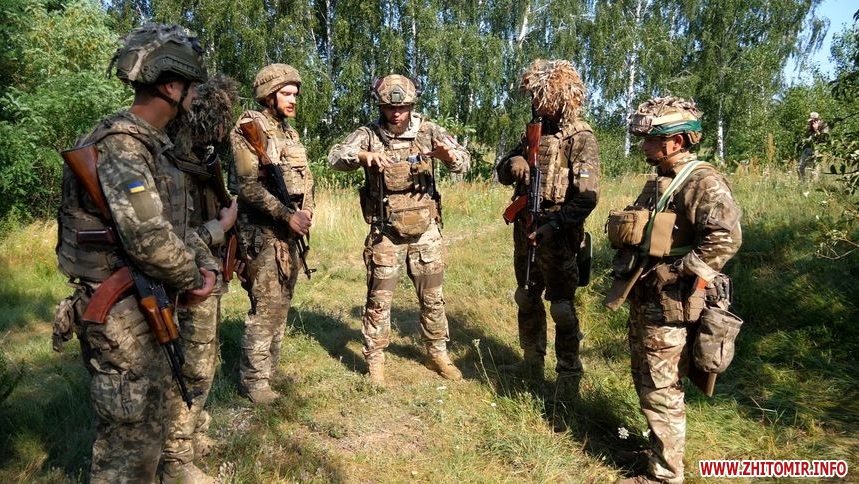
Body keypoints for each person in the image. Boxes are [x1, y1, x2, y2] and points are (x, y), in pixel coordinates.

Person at [54, 23, 217, 483]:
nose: (194, 96)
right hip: (121, 313)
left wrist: (199, 264)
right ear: (170, 86)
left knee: (151, 425)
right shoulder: (123, 146)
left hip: (143, 303)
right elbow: (148, 238)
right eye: (190, 86)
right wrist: (193, 278)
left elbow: (173, 226)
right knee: (127, 446)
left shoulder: (153, 147)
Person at [609, 96, 742, 484]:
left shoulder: (702, 182)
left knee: (661, 385)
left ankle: (665, 475)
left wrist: (679, 270)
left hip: (673, 300)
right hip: (648, 296)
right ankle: (658, 451)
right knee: (646, 377)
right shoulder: (663, 179)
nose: (644, 146)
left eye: (652, 139)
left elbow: (726, 238)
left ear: (677, 141)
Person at [327, 74, 470, 385]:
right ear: (381, 107)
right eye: (390, 108)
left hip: (425, 231)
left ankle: (438, 354)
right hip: (385, 231)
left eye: (402, 107)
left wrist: (449, 157)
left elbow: (464, 161)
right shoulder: (369, 134)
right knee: (379, 300)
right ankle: (375, 361)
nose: (396, 113)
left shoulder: (429, 131)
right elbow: (334, 157)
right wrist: (363, 156)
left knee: (433, 298)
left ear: (411, 105)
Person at [495, 59, 601, 396]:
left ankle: (569, 373)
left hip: (558, 237)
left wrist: (555, 225)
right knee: (526, 297)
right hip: (526, 229)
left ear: (559, 98)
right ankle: (531, 360)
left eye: (540, 97)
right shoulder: (533, 133)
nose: (534, 103)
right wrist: (514, 162)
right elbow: (502, 172)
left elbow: (587, 198)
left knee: (562, 308)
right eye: (533, 97)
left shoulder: (580, 138)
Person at [161, 74, 240, 483]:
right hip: (185, 278)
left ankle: (191, 434)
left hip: (203, 273)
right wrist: (219, 228)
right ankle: (176, 461)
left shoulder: (201, 158)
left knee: (202, 364)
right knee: (189, 368)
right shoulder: (174, 161)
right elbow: (170, 234)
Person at [229, 63, 314, 404]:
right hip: (262, 232)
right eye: (286, 94)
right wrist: (287, 215)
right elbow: (247, 187)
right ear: (269, 95)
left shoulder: (289, 133)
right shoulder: (249, 127)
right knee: (266, 308)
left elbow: (305, 179)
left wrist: (307, 212)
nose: (293, 100)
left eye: (295, 94)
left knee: (281, 304)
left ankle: (269, 371)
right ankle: (253, 381)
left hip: (289, 230)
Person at [797, 111, 829, 182]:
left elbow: (824, 139)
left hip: (819, 149)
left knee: (815, 170)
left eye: (812, 121)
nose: (810, 122)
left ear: (817, 120)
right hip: (809, 148)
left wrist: (816, 130)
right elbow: (806, 136)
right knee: (800, 167)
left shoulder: (824, 125)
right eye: (810, 121)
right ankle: (802, 182)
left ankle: (813, 184)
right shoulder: (810, 125)